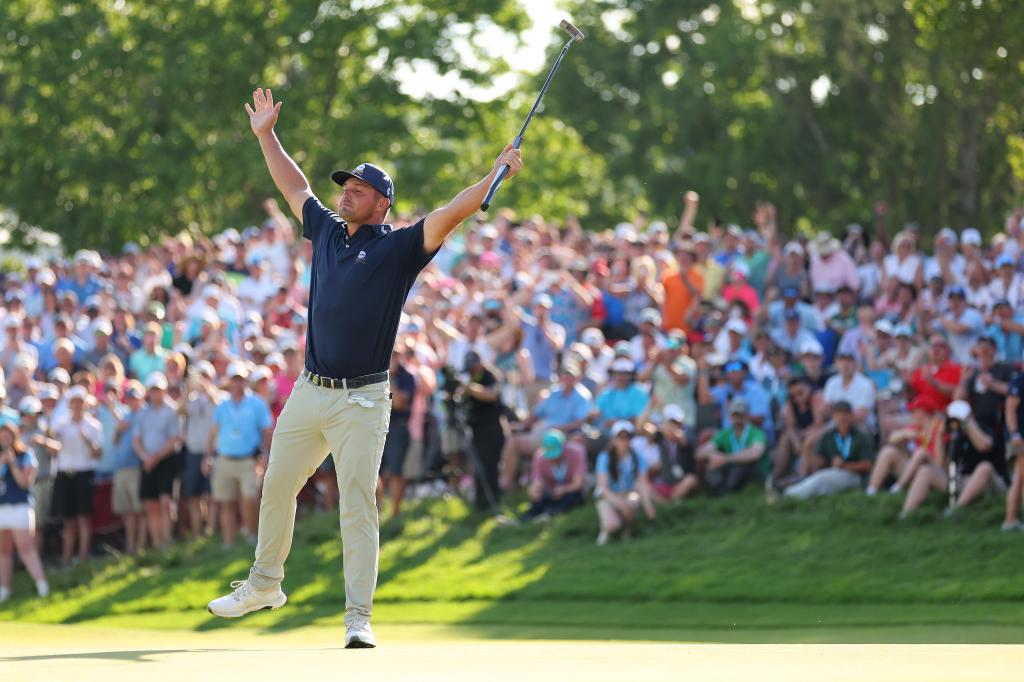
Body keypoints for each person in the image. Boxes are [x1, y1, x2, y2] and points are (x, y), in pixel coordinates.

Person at [208, 87, 523, 650]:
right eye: (346, 188)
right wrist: (265, 134)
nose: (346, 195)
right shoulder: (327, 232)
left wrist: (494, 173)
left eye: (358, 190)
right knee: (277, 485)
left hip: (363, 399)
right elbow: (293, 185)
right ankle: (264, 584)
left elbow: (454, 210)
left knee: (357, 503)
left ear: (382, 203)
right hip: (310, 389)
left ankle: (358, 617)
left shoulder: (400, 247)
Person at [205, 362, 273, 548]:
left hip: (249, 460)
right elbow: (213, 433)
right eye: (235, 379)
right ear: (229, 381)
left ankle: (251, 536)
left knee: (249, 499)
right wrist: (207, 457)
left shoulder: (257, 403)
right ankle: (229, 542)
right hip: (224, 459)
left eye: (241, 379)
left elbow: (266, 431)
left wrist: (266, 456)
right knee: (226, 502)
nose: (238, 383)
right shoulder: (222, 405)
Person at [51, 385, 103, 567]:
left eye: (80, 402)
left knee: (84, 518)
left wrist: (87, 440)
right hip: (65, 475)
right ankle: (66, 559)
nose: (77, 406)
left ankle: (82, 557)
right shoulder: (61, 425)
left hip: (84, 475)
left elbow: (98, 453)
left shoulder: (94, 425)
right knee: (68, 520)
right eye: (74, 402)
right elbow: (54, 448)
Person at [0, 417, 49, 602]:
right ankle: (4, 589)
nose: (4, 439)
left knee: (25, 548)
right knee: (3, 550)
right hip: (1, 507)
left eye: (7, 436)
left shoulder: (25, 455)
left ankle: (42, 585)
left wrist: (11, 464)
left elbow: (24, 482)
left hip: (19, 507)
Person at [784, 401, 874, 499]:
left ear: (852, 415)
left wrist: (844, 465)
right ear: (834, 416)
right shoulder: (829, 435)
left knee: (821, 480)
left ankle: (788, 495)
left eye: (846, 414)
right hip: (832, 471)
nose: (842, 417)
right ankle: (788, 492)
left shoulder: (861, 436)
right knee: (817, 478)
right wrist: (809, 452)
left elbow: (867, 465)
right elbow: (820, 461)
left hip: (856, 476)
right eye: (839, 414)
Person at [133, 372, 183, 548]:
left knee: (165, 502)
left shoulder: (171, 410)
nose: (156, 393)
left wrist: (154, 457)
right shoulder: (142, 413)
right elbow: (137, 440)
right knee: (151, 505)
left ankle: (167, 541)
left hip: (166, 461)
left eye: (158, 390)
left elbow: (174, 439)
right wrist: (146, 457)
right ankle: (156, 542)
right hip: (147, 462)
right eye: (153, 390)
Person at [594, 421, 656, 546]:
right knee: (612, 525)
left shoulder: (637, 457)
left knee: (633, 501)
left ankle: (627, 532)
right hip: (608, 496)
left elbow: (642, 483)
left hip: (627, 494)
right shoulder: (604, 457)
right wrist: (620, 503)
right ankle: (605, 529)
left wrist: (648, 505)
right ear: (614, 439)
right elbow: (603, 488)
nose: (623, 441)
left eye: (626, 438)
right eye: (620, 438)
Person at [461, 350, 506, 511]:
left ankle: (493, 500)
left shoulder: (491, 375)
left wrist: (468, 387)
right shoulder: (472, 376)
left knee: (490, 466)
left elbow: (491, 395)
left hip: (492, 428)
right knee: (478, 465)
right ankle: (480, 503)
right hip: (477, 428)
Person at [696, 397, 766, 496]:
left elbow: (755, 453)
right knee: (713, 462)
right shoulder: (725, 433)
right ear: (730, 416)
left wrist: (726, 458)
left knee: (743, 463)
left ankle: (725, 491)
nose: (738, 419)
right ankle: (720, 489)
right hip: (730, 469)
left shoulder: (756, 432)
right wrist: (713, 456)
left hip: (751, 471)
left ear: (747, 416)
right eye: (735, 415)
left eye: (741, 416)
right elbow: (700, 453)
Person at [110, 381, 147, 555]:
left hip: (136, 468)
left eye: (136, 398)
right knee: (127, 511)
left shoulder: (146, 415)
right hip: (121, 468)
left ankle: (140, 545)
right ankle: (131, 545)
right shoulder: (125, 416)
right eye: (130, 398)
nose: (133, 401)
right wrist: (118, 430)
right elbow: (115, 441)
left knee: (139, 509)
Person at [378, 351, 415, 518]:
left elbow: (400, 403)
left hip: (397, 428)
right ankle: (375, 514)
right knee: (375, 473)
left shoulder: (407, 376)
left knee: (395, 472)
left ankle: (394, 514)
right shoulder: (377, 373)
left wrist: (389, 379)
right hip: (379, 427)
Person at [521, 430, 586, 521]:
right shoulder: (540, 457)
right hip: (551, 492)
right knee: (539, 496)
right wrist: (535, 489)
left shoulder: (576, 452)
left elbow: (578, 484)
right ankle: (528, 518)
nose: (554, 458)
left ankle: (549, 514)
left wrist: (564, 489)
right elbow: (537, 480)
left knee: (572, 496)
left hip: (571, 491)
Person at [647, 404, 698, 501]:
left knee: (691, 480)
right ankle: (667, 505)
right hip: (665, 483)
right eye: (670, 423)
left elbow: (685, 444)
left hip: (682, 482)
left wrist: (678, 438)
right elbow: (643, 427)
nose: (674, 426)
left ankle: (671, 503)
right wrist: (651, 407)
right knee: (645, 486)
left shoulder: (686, 438)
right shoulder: (659, 436)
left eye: (676, 423)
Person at [1003, 369, 1024, 531]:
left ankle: (1013, 519)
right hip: (1019, 438)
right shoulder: (1019, 381)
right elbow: (1010, 409)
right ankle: (1010, 519)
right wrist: (1014, 433)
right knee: (1019, 477)